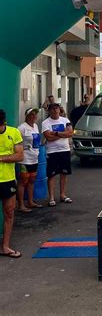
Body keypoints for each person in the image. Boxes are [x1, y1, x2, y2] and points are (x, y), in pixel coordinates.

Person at [0, 109, 24, 258]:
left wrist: (1, 158)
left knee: (9, 213)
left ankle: (5, 246)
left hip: (7, 179)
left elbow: (20, 155)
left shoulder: (14, 132)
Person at [42, 103, 74, 207]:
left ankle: (62, 195)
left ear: (59, 110)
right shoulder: (45, 123)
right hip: (52, 151)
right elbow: (48, 137)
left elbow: (70, 133)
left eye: (57, 109)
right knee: (51, 175)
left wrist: (55, 133)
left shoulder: (65, 120)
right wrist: (62, 133)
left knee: (64, 174)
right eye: (53, 109)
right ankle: (51, 197)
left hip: (64, 150)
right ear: (49, 111)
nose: (55, 111)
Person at [17, 108, 43, 212]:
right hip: (24, 159)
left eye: (35, 114)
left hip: (34, 158)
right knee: (23, 181)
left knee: (32, 180)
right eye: (32, 114)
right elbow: (16, 143)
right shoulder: (21, 128)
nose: (34, 116)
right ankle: (21, 205)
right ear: (27, 116)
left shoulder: (36, 126)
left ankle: (31, 202)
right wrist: (23, 148)